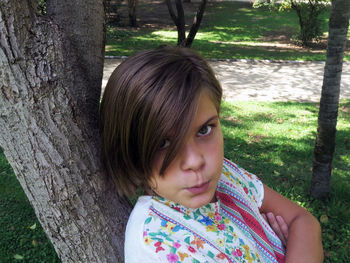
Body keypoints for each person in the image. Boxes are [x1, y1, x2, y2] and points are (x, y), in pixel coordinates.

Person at [99, 46, 323, 263]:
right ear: (128, 150)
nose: (195, 161)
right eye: (163, 143)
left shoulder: (226, 175)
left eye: (204, 130)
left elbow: (303, 221)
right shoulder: (156, 247)